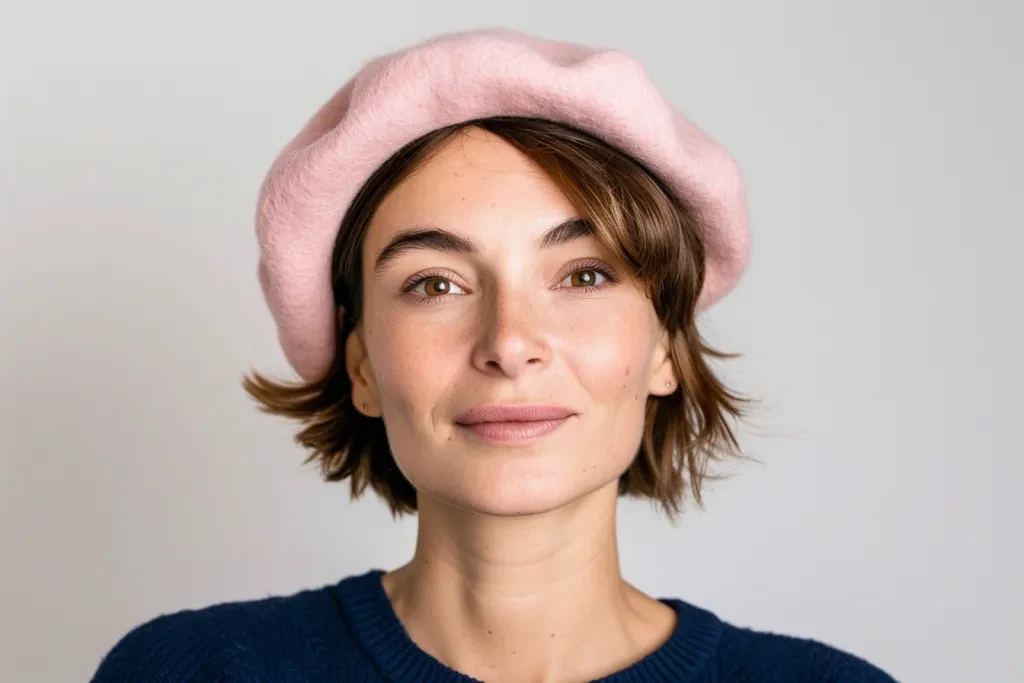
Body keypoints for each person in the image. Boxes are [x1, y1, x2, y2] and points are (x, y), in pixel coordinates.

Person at [90, 27, 897, 683]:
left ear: (665, 347)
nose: (509, 342)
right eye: (435, 284)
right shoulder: (194, 672)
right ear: (362, 363)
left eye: (584, 274)